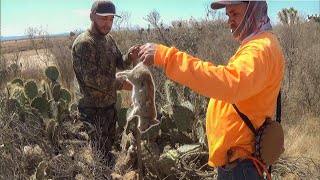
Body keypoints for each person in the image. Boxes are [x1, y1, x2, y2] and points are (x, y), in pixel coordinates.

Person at [138, 1, 284, 179]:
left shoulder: (259, 49)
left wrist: (167, 57)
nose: (229, 21)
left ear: (254, 9)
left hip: (242, 168)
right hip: (239, 164)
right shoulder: (258, 44)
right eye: (228, 15)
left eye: (235, 14)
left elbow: (228, 83)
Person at [71, 0, 138, 164]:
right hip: (92, 109)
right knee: (99, 155)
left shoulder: (108, 39)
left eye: (111, 19)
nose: (108, 23)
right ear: (91, 16)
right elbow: (92, 79)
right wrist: (122, 84)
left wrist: (129, 56)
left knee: (107, 149)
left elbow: (120, 63)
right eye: (103, 19)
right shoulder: (84, 43)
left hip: (109, 106)